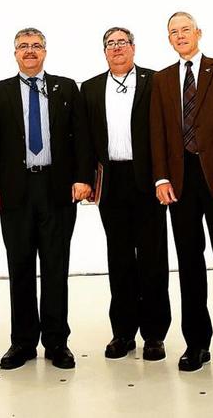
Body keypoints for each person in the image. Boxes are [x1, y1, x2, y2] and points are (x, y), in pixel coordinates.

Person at [0, 27, 93, 370]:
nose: (30, 51)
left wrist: (83, 178)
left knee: (56, 266)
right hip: (16, 191)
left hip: (57, 189)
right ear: (15, 53)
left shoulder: (66, 88)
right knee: (21, 266)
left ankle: (57, 342)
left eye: (36, 46)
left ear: (45, 51)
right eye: (23, 46)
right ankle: (23, 342)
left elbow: (82, 137)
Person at [149, 12, 213, 378]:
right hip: (180, 184)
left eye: (185, 29)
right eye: (173, 31)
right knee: (189, 265)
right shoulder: (162, 80)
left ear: (198, 33)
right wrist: (161, 178)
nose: (180, 35)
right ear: (169, 39)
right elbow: (157, 133)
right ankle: (196, 343)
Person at [79, 26, 170, 361]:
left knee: (152, 258)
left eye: (122, 42)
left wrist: (164, 177)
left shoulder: (154, 81)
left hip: (147, 180)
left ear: (133, 47)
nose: (116, 48)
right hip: (111, 181)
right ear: (104, 51)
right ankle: (123, 333)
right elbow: (85, 139)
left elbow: (165, 131)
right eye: (110, 43)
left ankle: (154, 335)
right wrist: (85, 179)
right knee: (118, 258)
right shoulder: (90, 88)